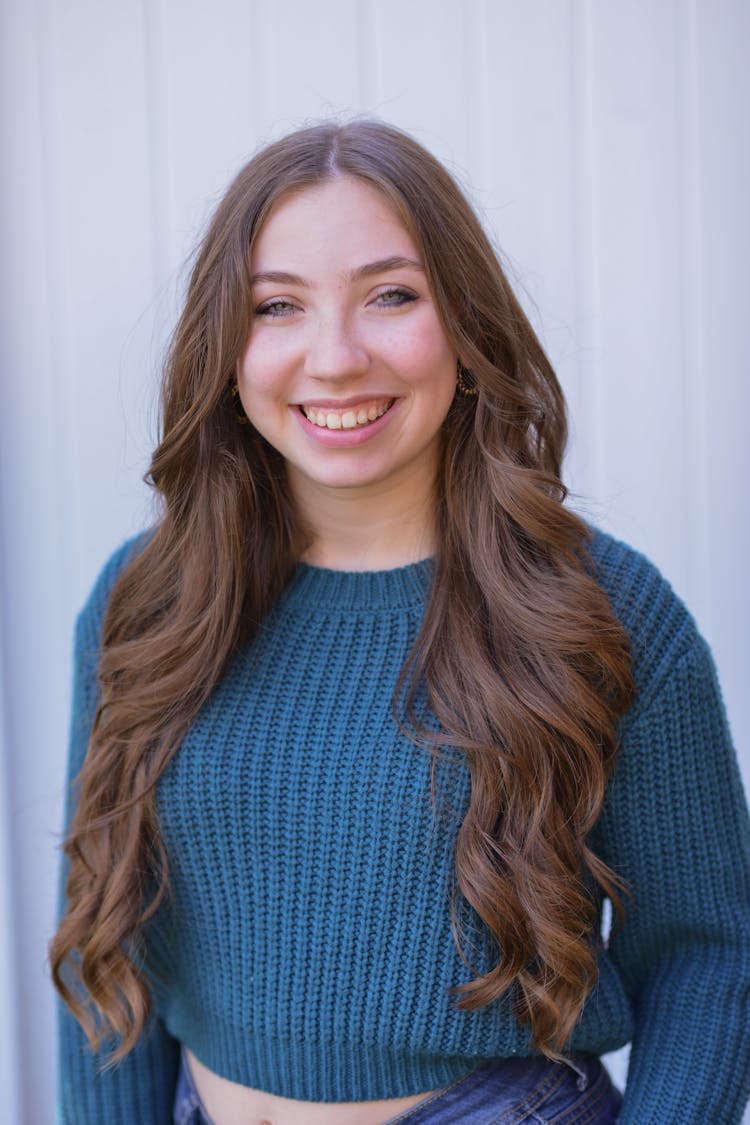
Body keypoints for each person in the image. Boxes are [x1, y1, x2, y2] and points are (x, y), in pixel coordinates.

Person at [50, 120, 750, 1125]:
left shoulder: (602, 610)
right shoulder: (148, 603)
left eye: (391, 295)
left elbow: (708, 954)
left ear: (464, 325)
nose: (335, 358)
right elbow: (100, 939)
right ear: (226, 346)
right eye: (277, 305)